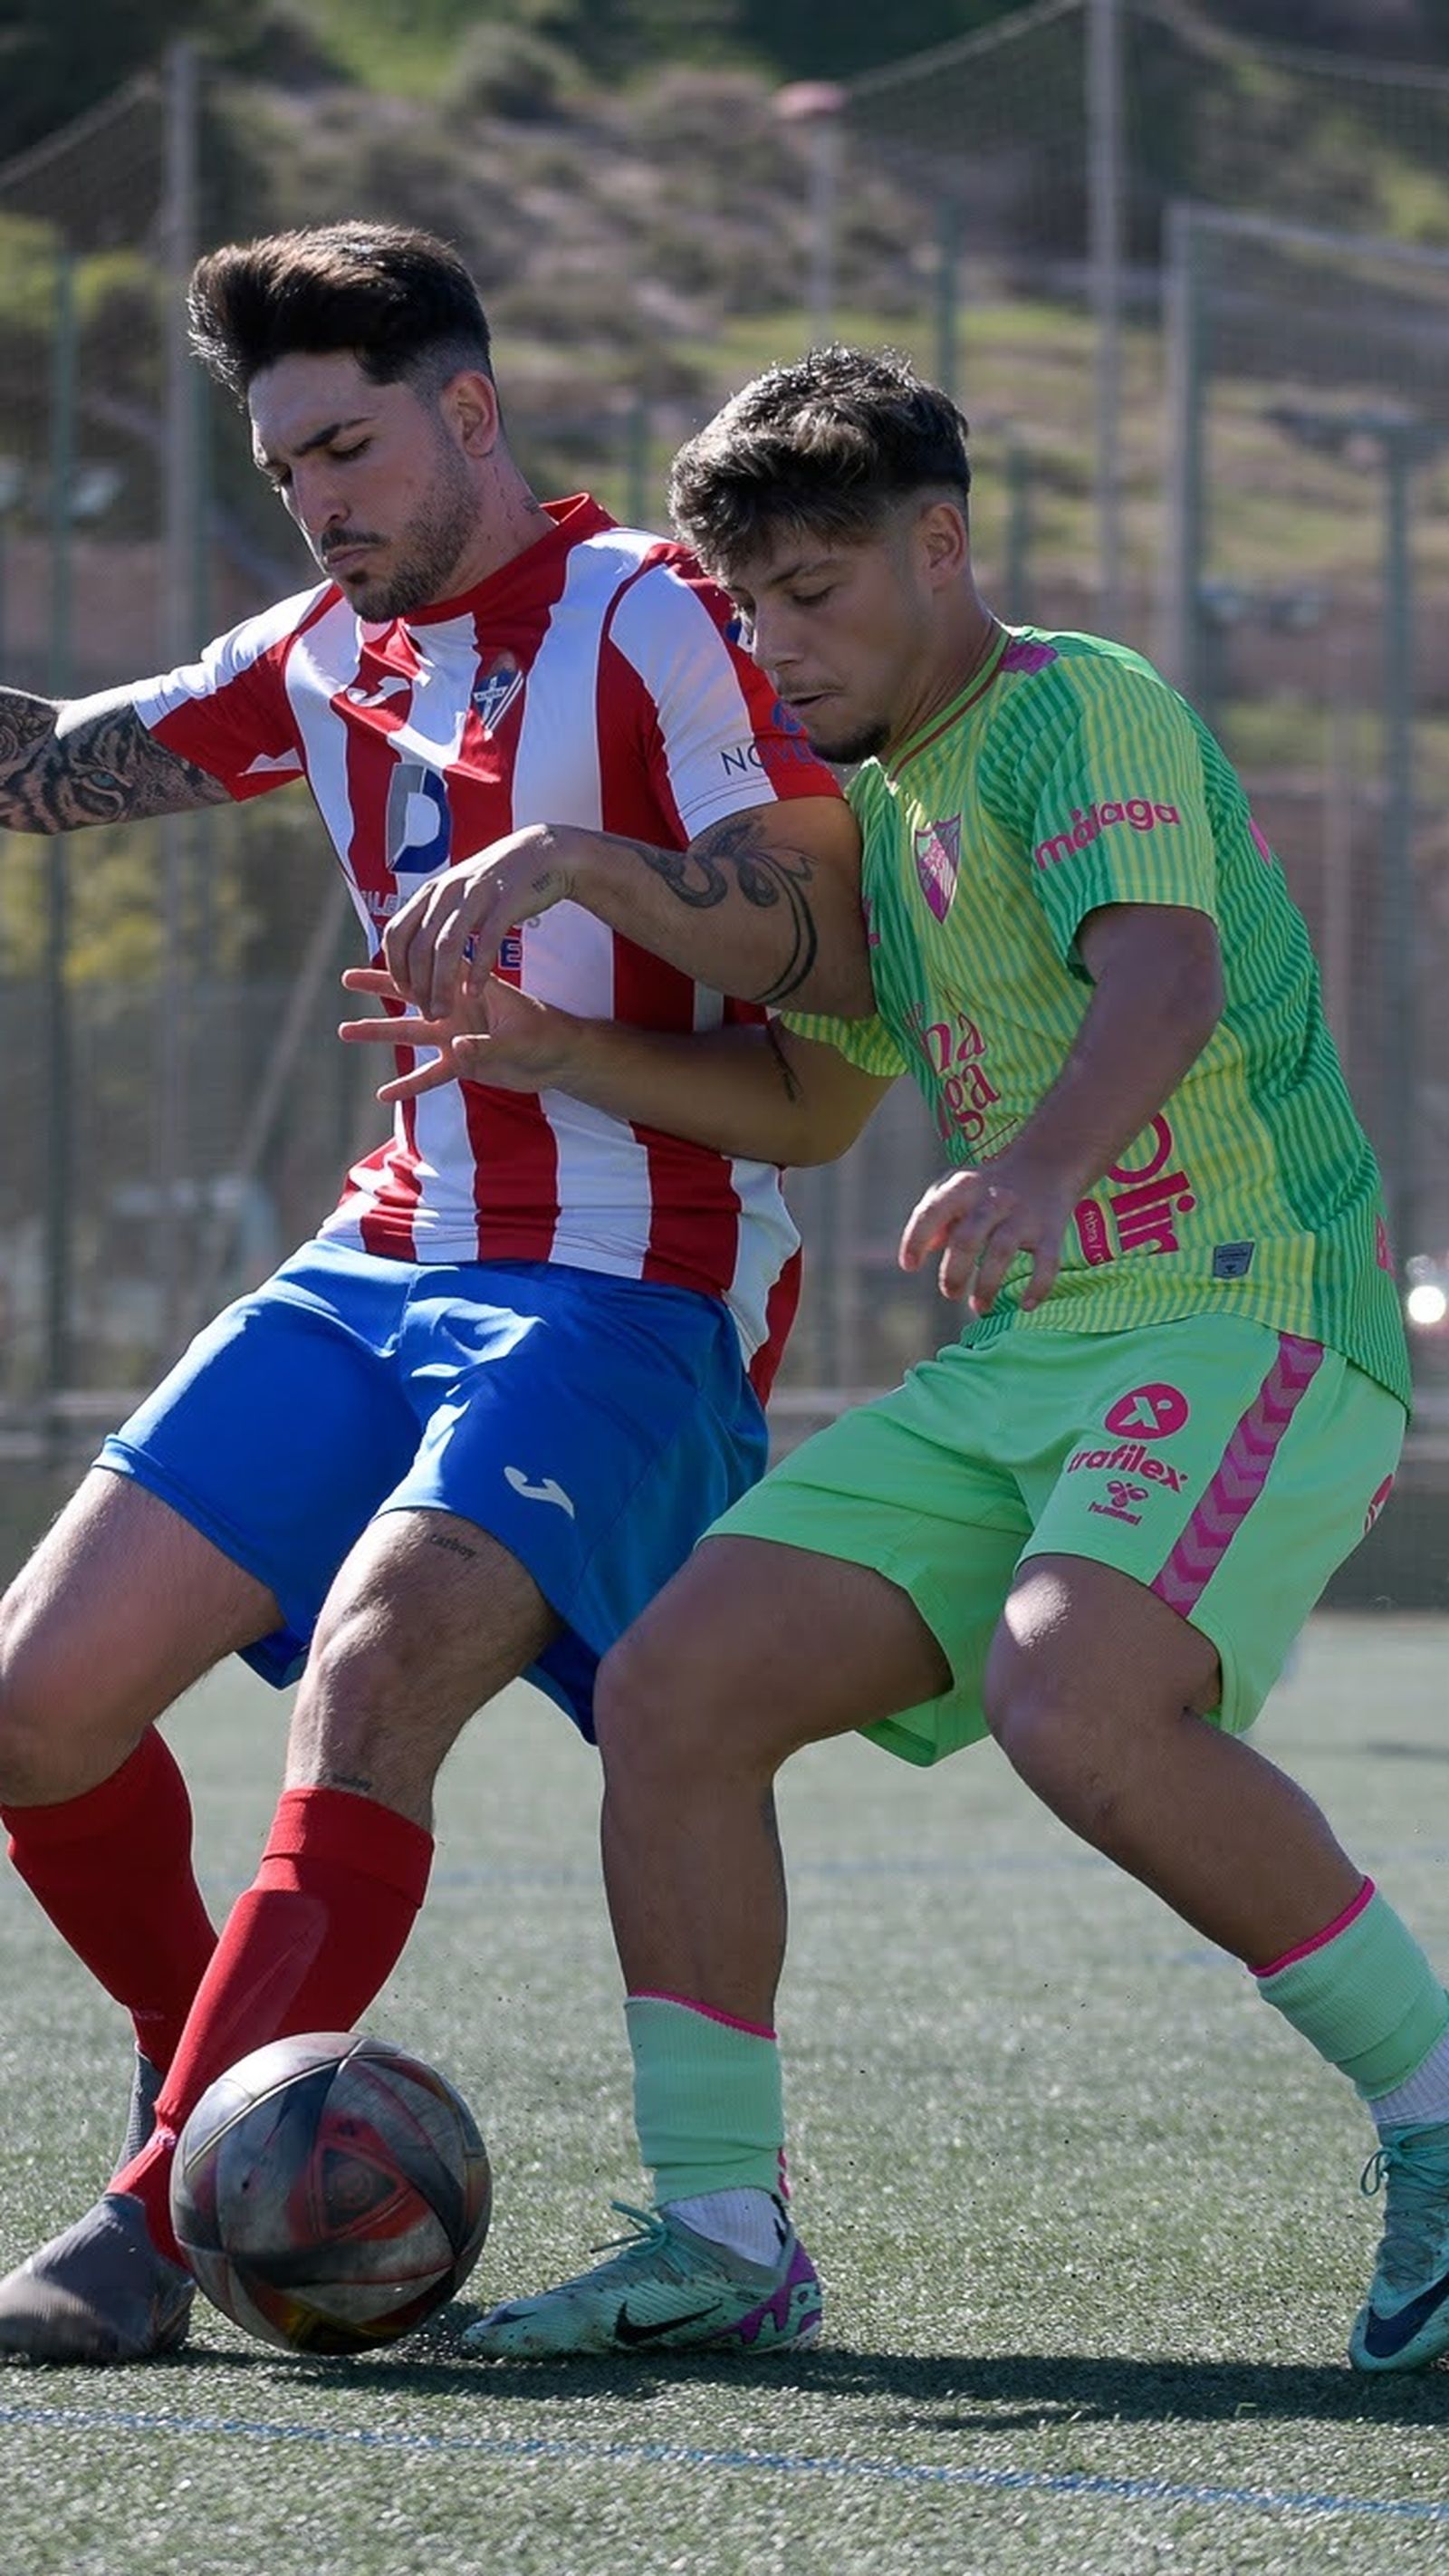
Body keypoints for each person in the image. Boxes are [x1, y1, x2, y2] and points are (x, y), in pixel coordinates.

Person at [441, 345, 1449, 2376]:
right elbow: (816, 1104)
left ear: (937, 543)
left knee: (1075, 1700)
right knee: (676, 1692)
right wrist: (567, 1039)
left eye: (810, 592)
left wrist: (1037, 1165)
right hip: (1031, 1355)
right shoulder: (880, 806)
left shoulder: (1076, 707)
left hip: (1247, 1304)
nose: (772, 640)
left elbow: (1154, 976)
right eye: (743, 608)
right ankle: (723, 2240)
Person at [0, 226, 868, 2365]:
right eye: (288, 464)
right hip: (382, 1253)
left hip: (629, 1280)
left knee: (373, 1671)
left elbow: (831, 955)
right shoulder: (317, 647)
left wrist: (584, 868)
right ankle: (198, 2081)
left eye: (353, 446)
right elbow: (57, 759)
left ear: (468, 410)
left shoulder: (656, 619)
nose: (323, 499)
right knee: (30, 1702)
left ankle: (149, 2221)